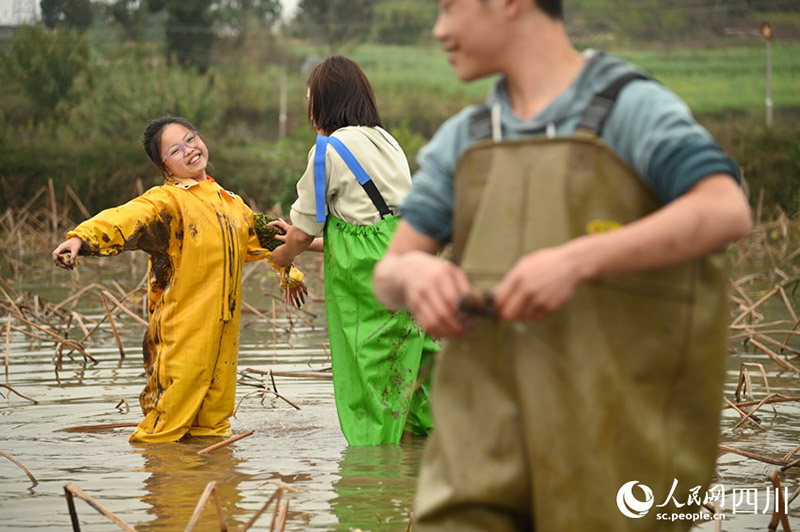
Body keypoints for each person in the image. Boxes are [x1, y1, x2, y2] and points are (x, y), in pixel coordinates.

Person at [372, 0, 753, 530]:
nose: (439, 29)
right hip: (477, 452)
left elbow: (723, 208)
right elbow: (389, 272)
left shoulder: (631, 109)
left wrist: (577, 260)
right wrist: (417, 275)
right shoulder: (466, 137)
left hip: (613, 452)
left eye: (449, 6)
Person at [51, 116, 307, 444]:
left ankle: (212, 491)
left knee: (214, 430)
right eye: (175, 149)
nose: (189, 150)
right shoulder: (168, 202)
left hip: (223, 337)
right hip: (181, 337)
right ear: (164, 167)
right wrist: (81, 239)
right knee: (162, 430)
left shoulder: (230, 203)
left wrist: (290, 273)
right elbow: (127, 217)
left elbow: (266, 237)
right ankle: (160, 489)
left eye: (191, 139)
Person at [268, 56, 436, 446]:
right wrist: (304, 242)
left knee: (372, 370)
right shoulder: (385, 139)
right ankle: (421, 462)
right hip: (410, 256)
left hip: (370, 278)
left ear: (323, 103)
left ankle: (373, 479)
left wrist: (285, 255)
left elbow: (305, 227)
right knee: (412, 363)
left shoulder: (327, 150)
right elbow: (373, 228)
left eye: (310, 99)